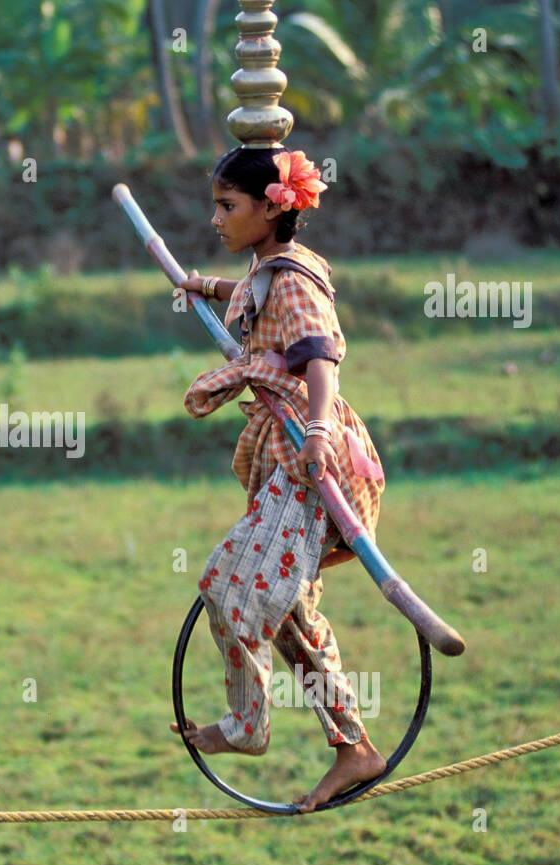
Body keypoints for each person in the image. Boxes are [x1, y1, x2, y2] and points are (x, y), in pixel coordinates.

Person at [167, 145, 389, 813]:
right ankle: (355, 748)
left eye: (228, 206)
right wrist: (206, 288)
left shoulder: (290, 278)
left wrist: (318, 432)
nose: (215, 219)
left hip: (302, 463)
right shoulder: (275, 272)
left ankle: (246, 723)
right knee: (290, 619)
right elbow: (259, 305)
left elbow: (318, 357)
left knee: (226, 587)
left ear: (270, 206)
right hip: (282, 461)